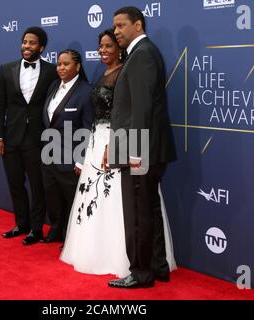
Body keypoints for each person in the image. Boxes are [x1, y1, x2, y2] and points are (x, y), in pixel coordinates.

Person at [60, 29, 176, 278]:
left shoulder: (128, 69)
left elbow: (131, 112)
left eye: (108, 46)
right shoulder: (102, 74)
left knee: (127, 204)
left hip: (116, 141)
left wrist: (115, 144)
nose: (102, 50)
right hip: (97, 141)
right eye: (100, 46)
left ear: (119, 48)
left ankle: (132, 262)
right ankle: (99, 251)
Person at [106, 7, 178, 288]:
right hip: (146, 147)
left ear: (138, 24)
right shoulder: (142, 54)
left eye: (121, 25)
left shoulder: (143, 55)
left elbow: (142, 109)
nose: (116, 31)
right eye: (114, 27)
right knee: (148, 208)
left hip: (140, 149)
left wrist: (135, 152)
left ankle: (140, 273)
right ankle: (158, 267)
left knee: (137, 211)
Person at [0, 27, 58, 245]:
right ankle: (22, 224)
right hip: (11, 137)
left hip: (37, 138)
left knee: (37, 185)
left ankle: (37, 229)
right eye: (24, 42)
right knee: (15, 183)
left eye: (32, 43)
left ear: (41, 47)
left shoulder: (51, 71)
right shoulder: (6, 69)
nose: (26, 46)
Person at [41, 49, 93, 244]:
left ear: (77, 66)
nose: (61, 68)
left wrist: (80, 159)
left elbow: (88, 127)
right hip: (48, 154)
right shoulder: (54, 86)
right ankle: (56, 229)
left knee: (72, 200)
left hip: (71, 158)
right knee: (52, 197)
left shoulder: (86, 92)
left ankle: (72, 237)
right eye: (59, 64)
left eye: (66, 64)